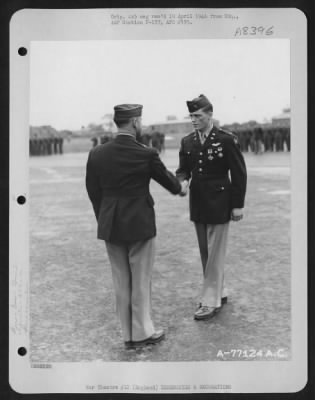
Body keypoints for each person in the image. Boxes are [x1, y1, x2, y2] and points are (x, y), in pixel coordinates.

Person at [86, 104, 186, 349]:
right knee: (140, 279)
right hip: (139, 223)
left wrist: (104, 217)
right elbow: (170, 183)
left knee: (121, 280)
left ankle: (128, 334)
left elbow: (93, 190)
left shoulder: (97, 153)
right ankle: (142, 333)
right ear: (134, 123)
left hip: (111, 224)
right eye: (139, 120)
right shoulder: (146, 153)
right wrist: (181, 187)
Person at [176, 94, 247, 320]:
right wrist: (183, 180)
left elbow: (238, 173)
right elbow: (183, 169)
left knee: (215, 253)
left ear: (210, 115)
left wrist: (237, 206)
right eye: (191, 116)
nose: (194, 120)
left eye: (197, 116)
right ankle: (219, 290)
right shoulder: (187, 141)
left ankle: (210, 301)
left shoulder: (226, 139)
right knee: (206, 252)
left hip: (220, 202)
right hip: (197, 202)